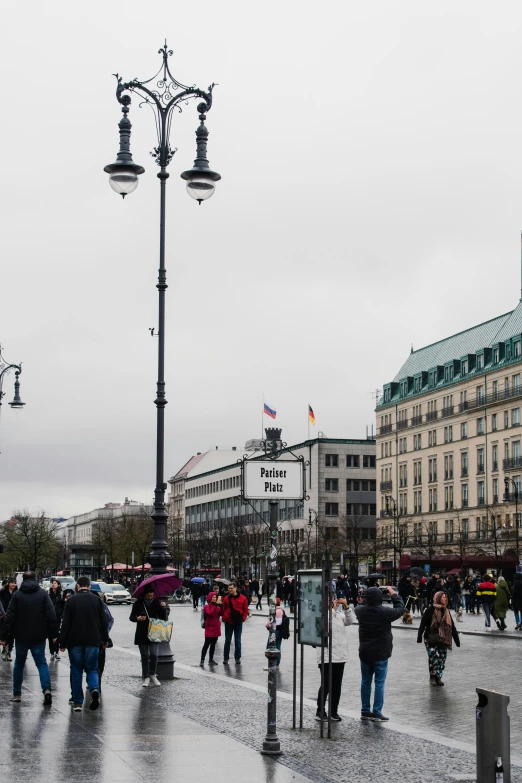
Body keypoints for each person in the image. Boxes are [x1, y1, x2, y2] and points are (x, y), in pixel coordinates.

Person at [0, 571, 57, 705]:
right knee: (41, 663)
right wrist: (53, 635)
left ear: (23, 580)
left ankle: (17, 693)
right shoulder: (43, 594)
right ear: (35, 579)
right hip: (39, 634)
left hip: (21, 635)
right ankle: (47, 689)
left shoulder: (17, 595)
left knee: (19, 664)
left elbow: (10, 617)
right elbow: (51, 615)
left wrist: (3, 636)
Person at [59, 575, 109, 711]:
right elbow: (103, 622)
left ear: (77, 586)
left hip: (74, 641)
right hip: (93, 640)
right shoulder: (97, 601)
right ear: (89, 586)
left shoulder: (71, 601)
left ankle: (77, 702)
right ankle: (94, 689)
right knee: (92, 668)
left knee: (76, 670)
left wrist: (62, 642)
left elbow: (66, 624)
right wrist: (105, 639)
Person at [354, 586, 404, 721]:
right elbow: (400, 609)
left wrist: (365, 600)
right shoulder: (385, 612)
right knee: (379, 682)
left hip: (365, 652)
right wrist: (394, 595)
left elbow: (359, 606)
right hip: (381, 652)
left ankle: (365, 710)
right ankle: (376, 711)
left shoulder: (360, 611)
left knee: (365, 682)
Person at [316, 596, 355, 722]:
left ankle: (334, 711)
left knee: (337, 685)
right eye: (327, 600)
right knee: (326, 684)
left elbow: (350, 621)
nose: (331, 602)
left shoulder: (339, 615)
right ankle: (320, 710)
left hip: (340, 656)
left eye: (331, 599)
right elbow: (325, 625)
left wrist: (346, 607)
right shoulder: (320, 614)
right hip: (326, 656)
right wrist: (332, 610)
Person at [417, 590, 460, 685]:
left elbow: (452, 626)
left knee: (442, 659)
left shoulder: (446, 611)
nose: (444, 599)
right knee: (433, 658)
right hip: (430, 637)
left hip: (443, 639)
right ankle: (432, 677)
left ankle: (438, 677)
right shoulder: (430, 610)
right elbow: (423, 624)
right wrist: (419, 636)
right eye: (442, 597)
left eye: (445, 597)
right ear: (437, 598)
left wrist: (457, 640)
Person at [130, 585, 168, 687]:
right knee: (145, 656)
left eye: (152, 596)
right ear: (145, 594)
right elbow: (131, 617)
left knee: (154, 655)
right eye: (149, 596)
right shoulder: (138, 603)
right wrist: (138, 618)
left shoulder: (157, 603)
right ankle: (146, 677)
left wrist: (163, 607)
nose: (150, 597)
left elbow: (163, 618)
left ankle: (152, 674)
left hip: (154, 633)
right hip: (142, 633)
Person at [221, 581, 249, 665]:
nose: (229, 590)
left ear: (236, 588)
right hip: (228, 621)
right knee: (227, 641)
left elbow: (245, 609)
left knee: (238, 641)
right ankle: (226, 658)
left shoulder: (243, 598)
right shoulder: (226, 598)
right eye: (228, 588)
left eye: (231, 588)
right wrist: (224, 617)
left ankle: (237, 658)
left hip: (238, 622)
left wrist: (243, 619)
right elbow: (223, 608)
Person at [200, 591, 222, 666]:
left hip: (216, 627)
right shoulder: (206, 606)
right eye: (213, 597)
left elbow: (221, 614)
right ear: (210, 598)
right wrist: (215, 606)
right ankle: (202, 659)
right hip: (209, 627)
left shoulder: (217, 606)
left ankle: (211, 659)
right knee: (206, 644)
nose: (214, 598)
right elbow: (210, 613)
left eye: (215, 597)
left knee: (213, 645)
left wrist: (221, 606)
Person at [263, 597, 285, 670]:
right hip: (280, 631)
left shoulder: (273, 611)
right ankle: (277, 665)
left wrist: (266, 626)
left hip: (273, 631)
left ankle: (272, 665)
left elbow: (270, 622)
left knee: (270, 647)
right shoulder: (282, 611)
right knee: (278, 647)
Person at [0, 578, 17, 661]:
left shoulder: (17, 593)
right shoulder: (2, 593)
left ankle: (9, 650)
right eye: (12, 583)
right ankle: (4, 648)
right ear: (8, 584)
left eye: (14, 583)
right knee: (5, 632)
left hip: (13, 616)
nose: (13, 584)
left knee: (12, 635)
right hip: (4, 616)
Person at [48, 578, 64, 661]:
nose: (53, 584)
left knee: (57, 635)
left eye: (55, 583)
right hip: (50, 618)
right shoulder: (49, 594)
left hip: (58, 617)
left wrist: (62, 614)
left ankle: (56, 652)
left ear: (58, 585)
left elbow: (63, 606)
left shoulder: (61, 594)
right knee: (51, 635)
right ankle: (51, 652)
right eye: (52, 583)